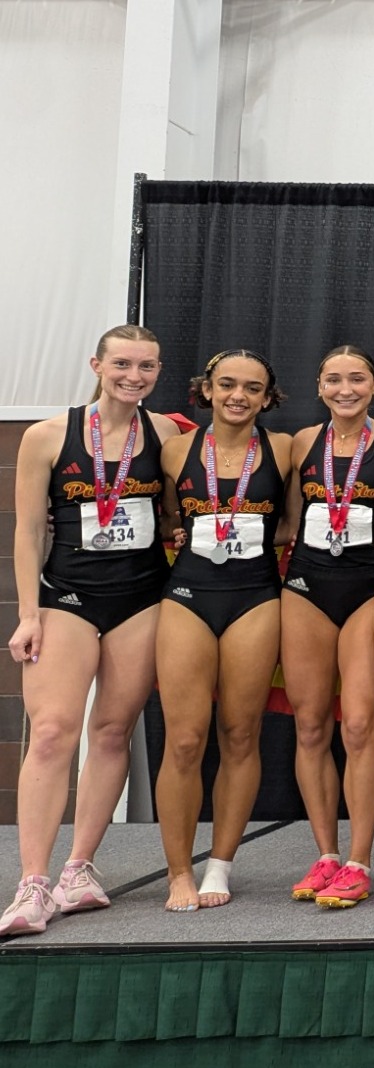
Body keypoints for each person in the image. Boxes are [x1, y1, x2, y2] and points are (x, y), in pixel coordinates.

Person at [1, 327, 185, 938]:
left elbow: (174, 514)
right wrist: (29, 613)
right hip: (68, 598)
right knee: (52, 732)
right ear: (97, 364)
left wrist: (179, 533)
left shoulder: (167, 435)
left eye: (147, 367)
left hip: (140, 599)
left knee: (111, 732)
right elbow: (28, 532)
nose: (134, 376)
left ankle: (79, 870)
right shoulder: (47, 435)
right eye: (123, 364)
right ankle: (32, 881)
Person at [155, 349, 294, 911]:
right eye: (228, 385)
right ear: (206, 389)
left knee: (240, 734)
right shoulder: (173, 451)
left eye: (252, 388)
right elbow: (163, 518)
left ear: (268, 397)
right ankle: (177, 872)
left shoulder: (284, 450)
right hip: (188, 596)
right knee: (185, 739)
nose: (239, 396)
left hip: (256, 597)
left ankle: (220, 865)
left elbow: (291, 523)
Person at [282, 346, 374, 908]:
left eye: (357, 379)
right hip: (307, 590)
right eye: (334, 379)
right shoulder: (298, 444)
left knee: (359, 726)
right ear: (319, 386)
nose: (346, 389)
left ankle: (361, 858)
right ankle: (326, 855)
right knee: (310, 726)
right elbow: (286, 520)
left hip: (370, 591)